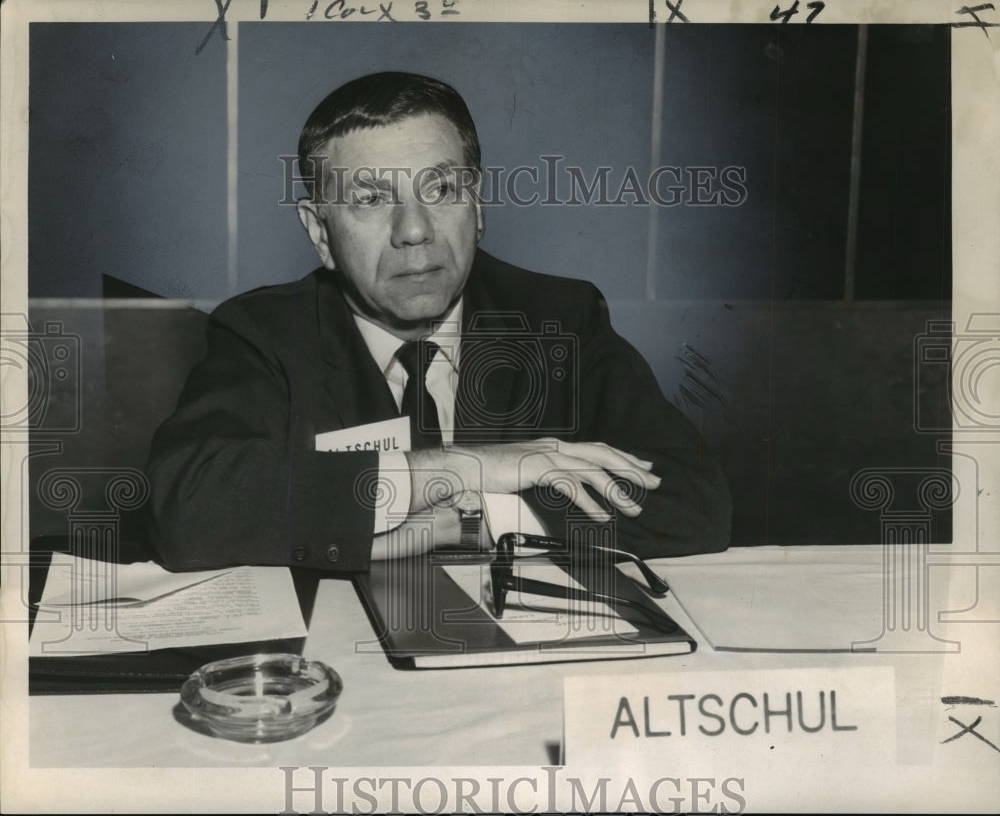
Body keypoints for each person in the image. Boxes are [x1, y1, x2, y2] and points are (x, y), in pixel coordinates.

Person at [145, 71, 731, 573]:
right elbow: (185, 505)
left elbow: (692, 501)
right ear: (320, 232)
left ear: (477, 207)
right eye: (371, 200)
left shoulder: (560, 319)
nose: (415, 230)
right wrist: (457, 467)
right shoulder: (264, 332)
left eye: (442, 189)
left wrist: (474, 519)